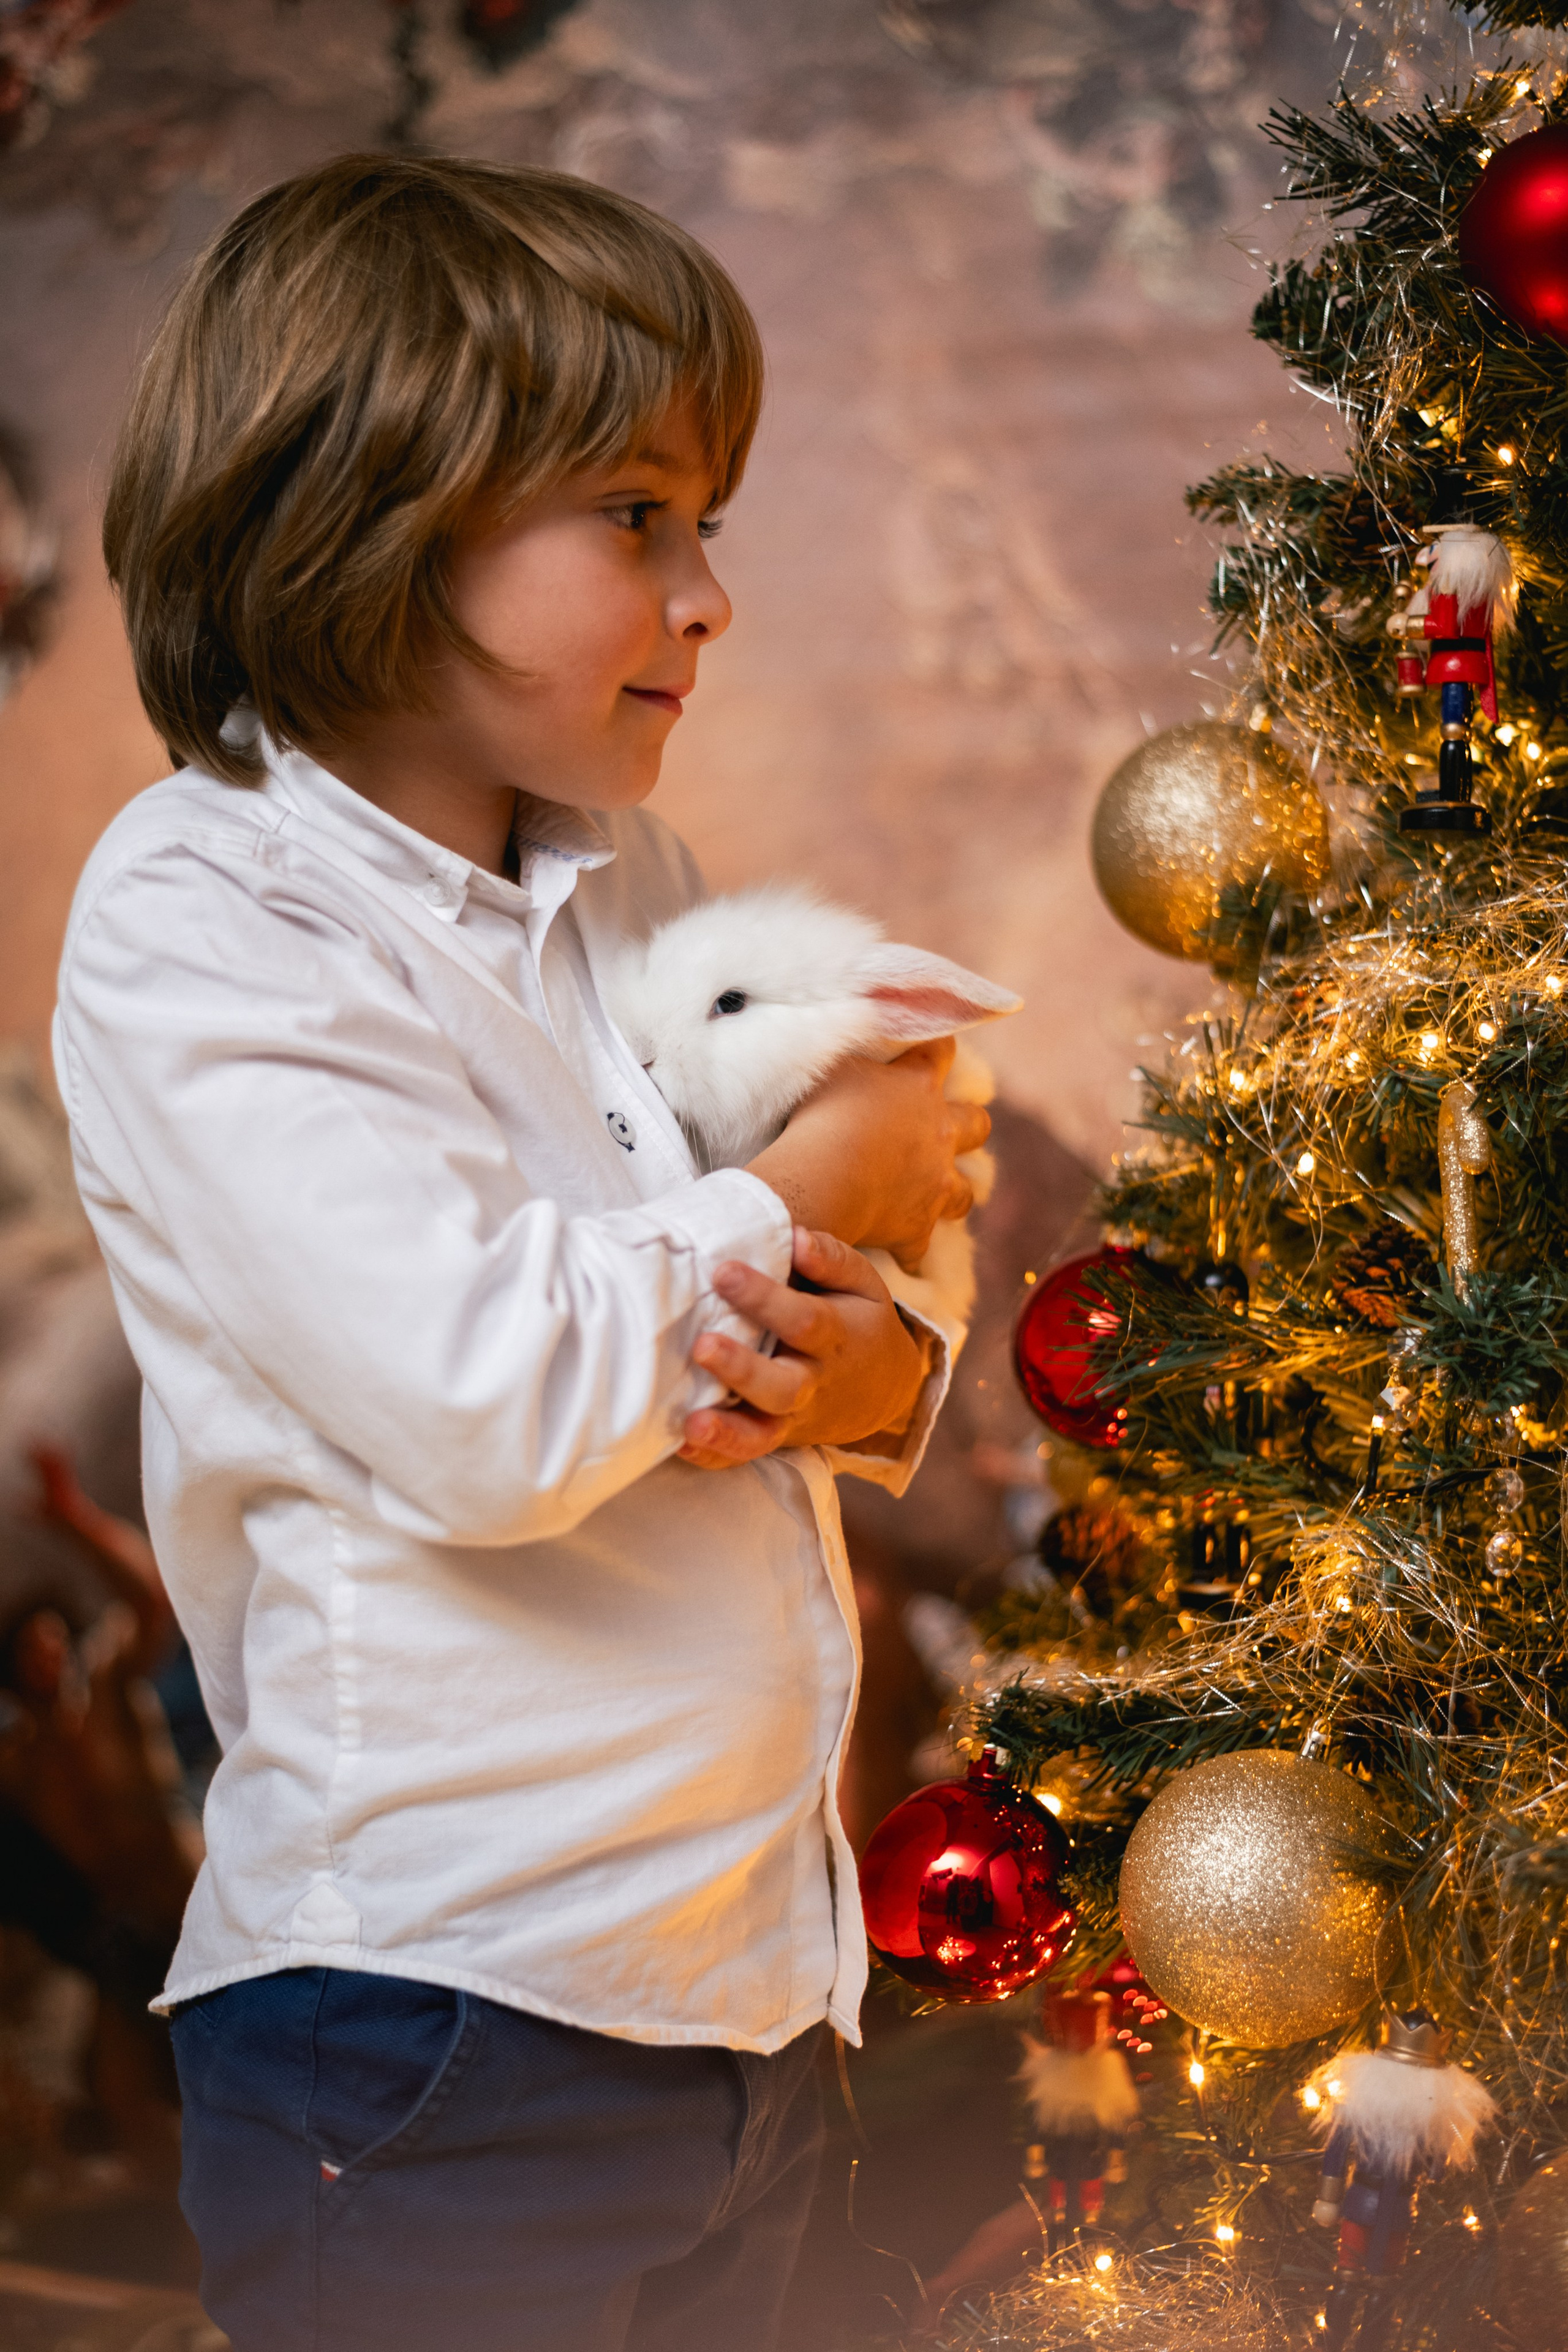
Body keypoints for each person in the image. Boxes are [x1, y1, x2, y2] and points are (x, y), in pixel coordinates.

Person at [54, 154, 990, 2351]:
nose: (707, 596)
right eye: (637, 517)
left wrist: (872, 1373)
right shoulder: (209, 912)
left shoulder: (628, 879)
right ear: (375, 515)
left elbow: (824, 1296)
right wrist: (833, 1165)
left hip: (740, 1988)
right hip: (438, 2019)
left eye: (710, 525)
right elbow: (497, 1396)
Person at [0, 1444, 195, 2180]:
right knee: (124, 2089)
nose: (48, 1658)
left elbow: (151, 1599)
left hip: (194, 1902)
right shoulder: (19, 1765)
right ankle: (177, 2250)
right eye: (30, 1650)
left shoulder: (110, 1687)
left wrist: (76, 1521)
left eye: (54, 1642)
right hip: (123, 1944)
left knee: (269, 2053)